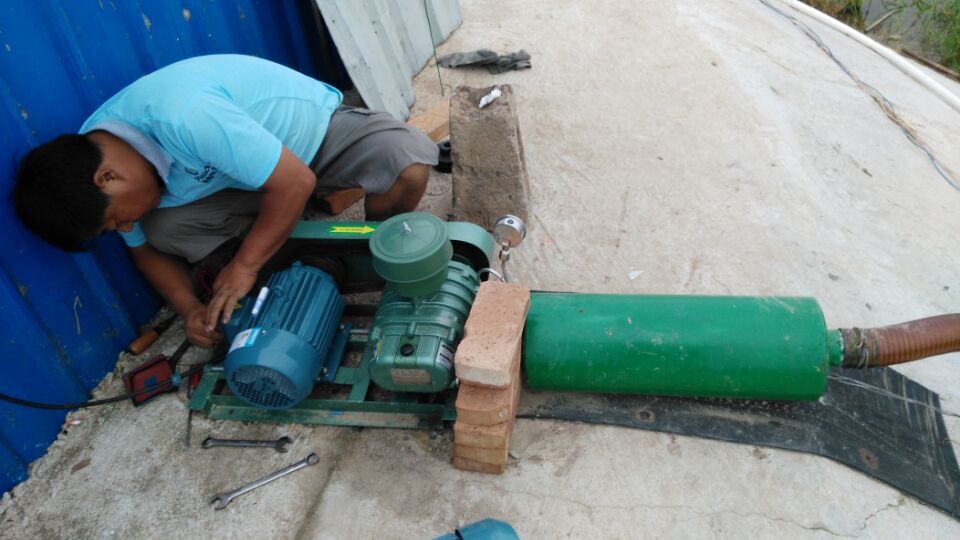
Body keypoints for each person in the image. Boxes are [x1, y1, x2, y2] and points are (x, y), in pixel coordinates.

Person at [11, 54, 438, 347]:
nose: (124, 229)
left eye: (115, 221)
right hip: (240, 183)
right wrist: (189, 310)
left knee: (408, 164)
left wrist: (244, 266)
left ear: (108, 177)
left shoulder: (183, 115)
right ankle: (298, 232)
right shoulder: (94, 157)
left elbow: (293, 181)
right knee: (163, 230)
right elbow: (144, 251)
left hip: (311, 140)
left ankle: (378, 247)